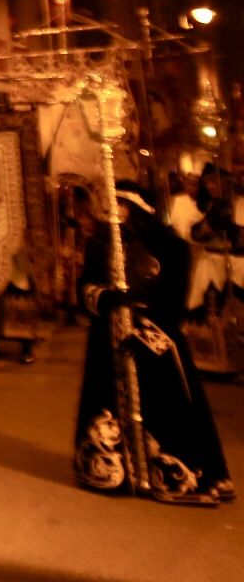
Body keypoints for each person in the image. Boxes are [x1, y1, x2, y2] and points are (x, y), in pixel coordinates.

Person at [72, 181, 233, 504]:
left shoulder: (172, 249)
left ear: (140, 210)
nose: (114, 212)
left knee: (168, 403)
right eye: (112, 204)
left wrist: (147, 333)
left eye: (123, 205)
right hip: (109, 336)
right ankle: (119, 470)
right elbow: (85, 288)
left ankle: (175, 472)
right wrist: (107, 298)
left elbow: (175, 301)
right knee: (110, 402)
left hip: (155, 335)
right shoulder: (100, 245)